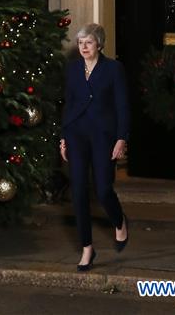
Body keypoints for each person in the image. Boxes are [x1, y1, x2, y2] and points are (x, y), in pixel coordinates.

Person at [59, 23, 130, 271]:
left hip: (103, 136)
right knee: (78, 191)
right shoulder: (73, 69)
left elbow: (122, 105)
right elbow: (68, 105)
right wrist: (63, 138)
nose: (84, 47)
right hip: (76, 134)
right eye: (80, 43)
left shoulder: (113, 69)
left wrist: (121, 138)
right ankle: (87, 248)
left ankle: (119, 221)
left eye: (88, 42)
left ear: (99, 44)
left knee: (102, 189)